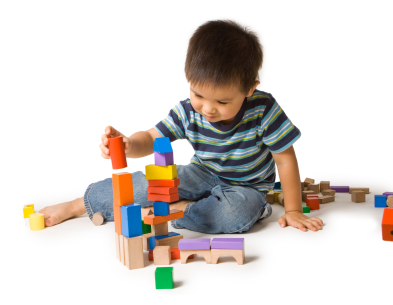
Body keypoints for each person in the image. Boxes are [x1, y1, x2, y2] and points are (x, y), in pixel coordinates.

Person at [39, 20, 323, 233]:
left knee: (236, 213)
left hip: (246, 188)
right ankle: (79, 205)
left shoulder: (264, 110)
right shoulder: (188, 112)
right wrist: (128, 144)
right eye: (198, 94)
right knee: (148, 181)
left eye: (222, 101)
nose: (208, 108)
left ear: (250, 89)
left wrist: (294, 209)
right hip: (200, 173)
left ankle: (176, 211)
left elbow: (285, 159)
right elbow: (151, 137)